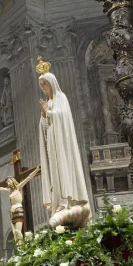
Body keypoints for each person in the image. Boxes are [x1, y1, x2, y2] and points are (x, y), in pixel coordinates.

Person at [37, 58, 90, 227]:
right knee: (54, 171)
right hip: (52, 142)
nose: (44, 89)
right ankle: (58, 200)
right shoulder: (50, 102)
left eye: (45, 85)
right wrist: (44, 116)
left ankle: (66, 200)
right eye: (42, 86)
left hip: (62, 143)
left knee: (63, 167)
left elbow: (63, 117)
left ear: (52, 84)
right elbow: (45, 126)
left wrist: (49, 113)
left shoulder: (61, 97)